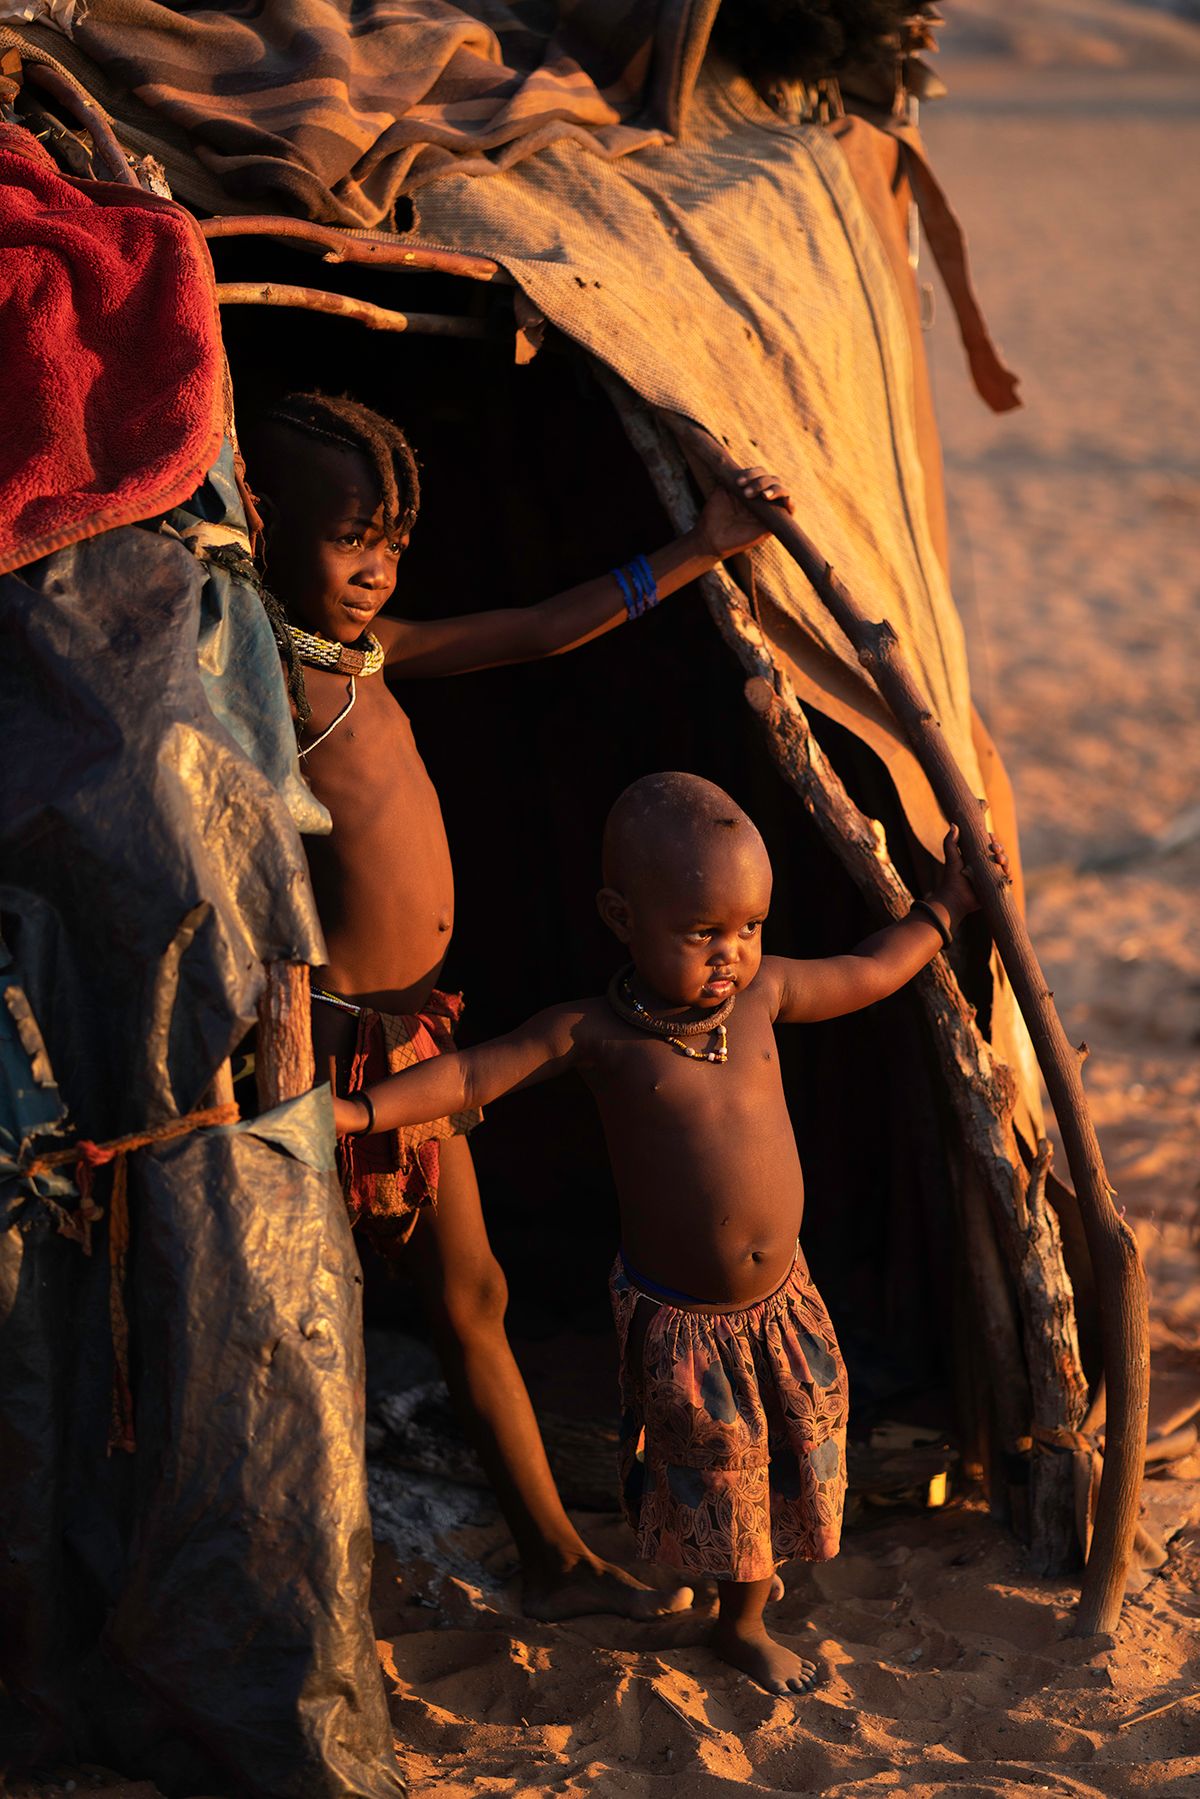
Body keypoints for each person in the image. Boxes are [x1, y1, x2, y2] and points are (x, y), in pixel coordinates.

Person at [242, 391, 793, 1622]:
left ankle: (553, 1555)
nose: (378, 567)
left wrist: (700, 548)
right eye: (349, 538)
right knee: (302, 1316)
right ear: (265, 522)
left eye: (392, 537)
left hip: (415, 1035)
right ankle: (305, 1596)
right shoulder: (256, 670)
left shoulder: (367, 658)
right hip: (325, 1051)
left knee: (469, 1294)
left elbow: (539, 628)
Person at [333, 771, 1009, 1695]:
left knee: (791, 1444)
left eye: (749, 928)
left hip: (784, 1300)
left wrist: (947, 903)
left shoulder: (764, 995)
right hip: (687, 1322)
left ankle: (750, 1600)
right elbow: (470, 1077)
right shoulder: (596, 1035)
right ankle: (742, 1622)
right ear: (621, 915)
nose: (731, 954)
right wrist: (364, 1111)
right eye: (702, 933)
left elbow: (869, 971)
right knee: (720, 1470)